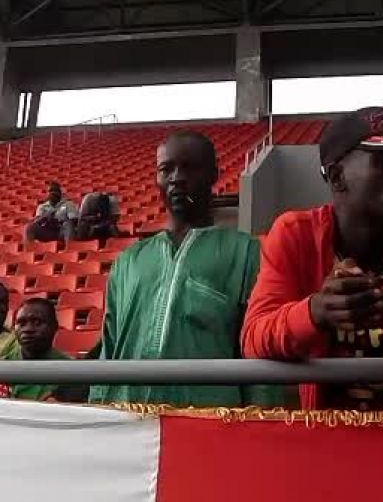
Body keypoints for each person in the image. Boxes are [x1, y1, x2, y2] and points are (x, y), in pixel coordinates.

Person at [241, 107, 383, 411]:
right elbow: (254, 337)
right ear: (337, 176)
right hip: (326, 439)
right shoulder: (294, 233)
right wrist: (314, 312)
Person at [90, 131, 283, 408]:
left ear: (213, 174)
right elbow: (108, 349)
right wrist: (98, 408)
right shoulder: (128, 260)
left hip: (211, 421)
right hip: (125, 419)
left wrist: (262, 421)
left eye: (190, 167)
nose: (177, 178)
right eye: (166, 169)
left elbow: (259, 350)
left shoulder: (246, 252)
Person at [0, 298, 72, 401]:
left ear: (54, 326)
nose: (28, 329)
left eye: (37, 322)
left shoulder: (71, 371)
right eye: (21, 323)